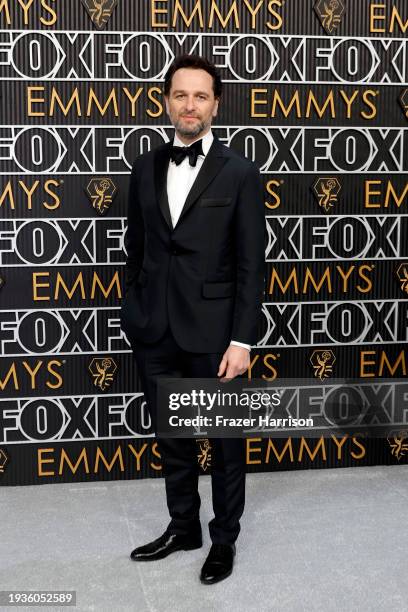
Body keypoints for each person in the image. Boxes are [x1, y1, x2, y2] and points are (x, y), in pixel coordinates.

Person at [120, 53, 265, 584]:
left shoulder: (241, 173)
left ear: (216, 104)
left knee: (226, 443)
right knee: (172, 437)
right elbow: (137, 247)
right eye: (180, 95)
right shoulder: (144, 166)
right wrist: (134, 307)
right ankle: (184, 526)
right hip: (155, 327)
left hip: (215, 333)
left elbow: (252, 265)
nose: (190, 105)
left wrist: (242, 339)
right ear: (166, 101)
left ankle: (223, 539)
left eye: (200, 96)